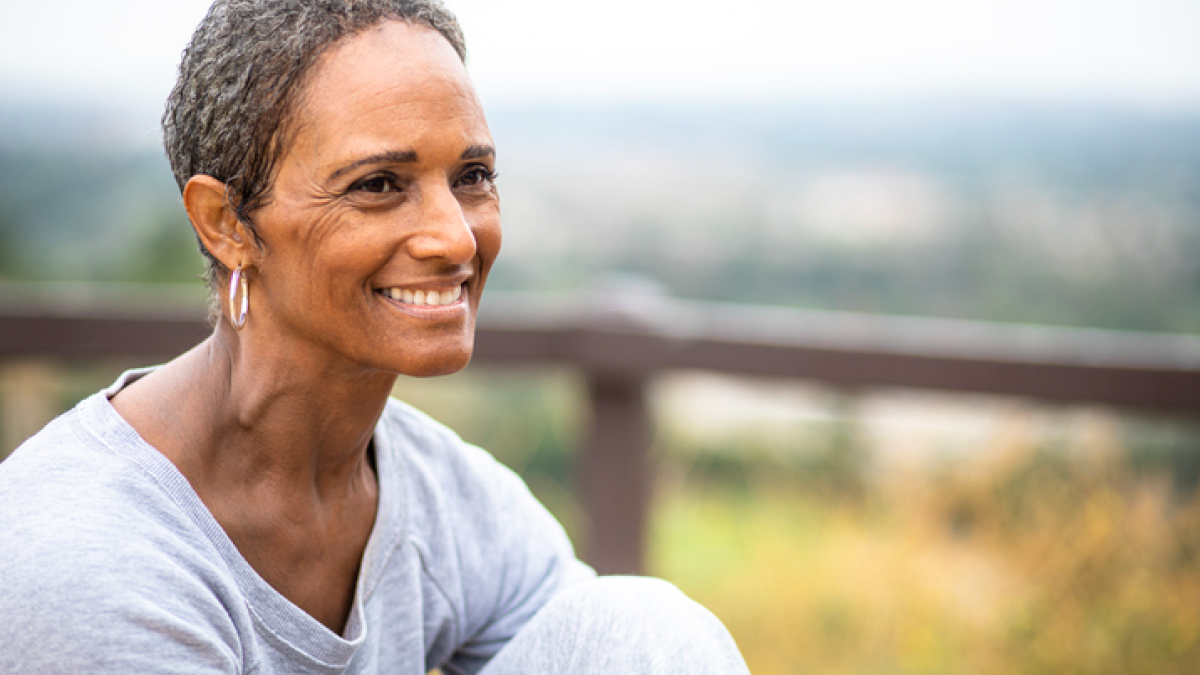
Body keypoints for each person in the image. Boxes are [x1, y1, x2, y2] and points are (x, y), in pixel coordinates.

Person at [0, 1, 749, 673]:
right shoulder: (89, 560)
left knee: (643, 627)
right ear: (227, 224)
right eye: (379, 184)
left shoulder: (440, 497)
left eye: (473, 175)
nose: (455, 237)